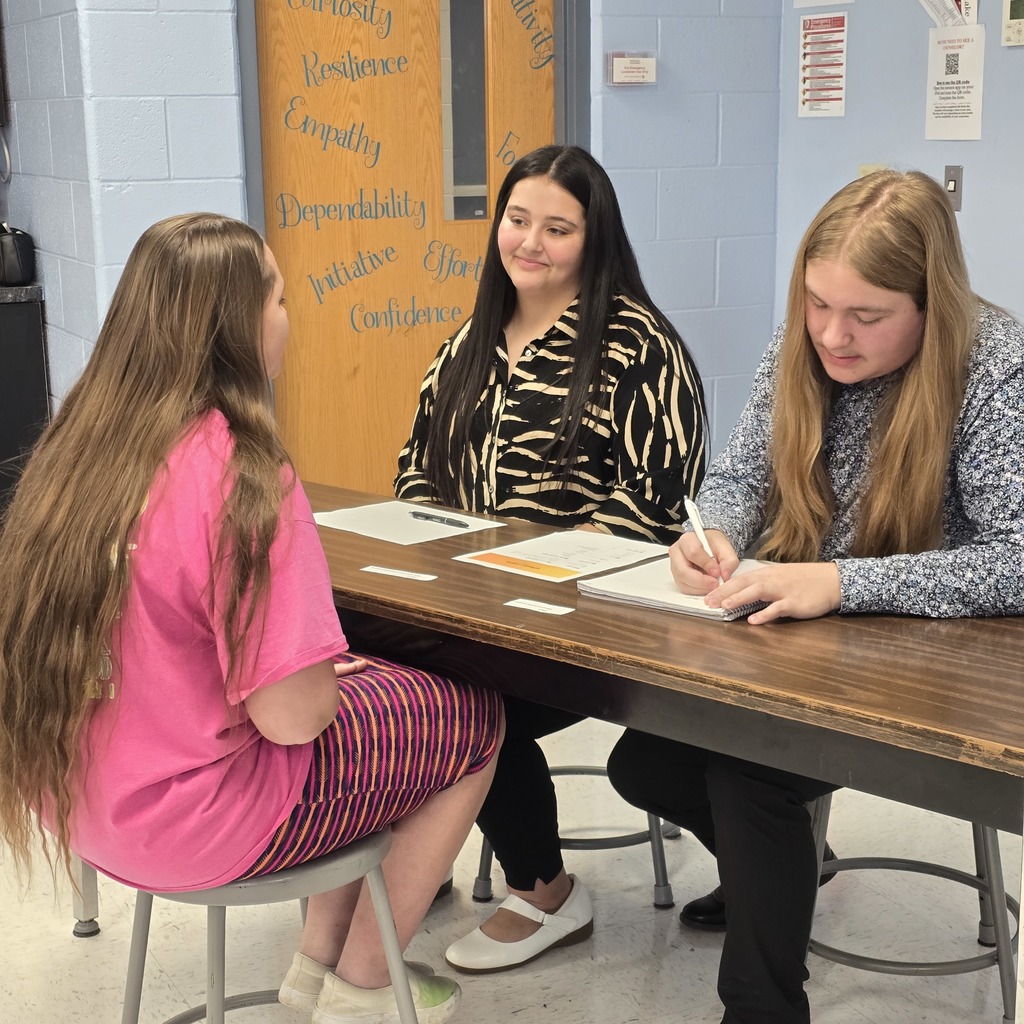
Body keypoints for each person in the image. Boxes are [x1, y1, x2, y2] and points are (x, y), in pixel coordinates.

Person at [0, 213, 504, 1024]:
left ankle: (314, 970)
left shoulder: (74, 456)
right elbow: (298, 722)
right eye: (276, 297)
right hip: (199, 825)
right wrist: (315, 677)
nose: (287, 317)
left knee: (374, 712)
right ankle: (365, 987)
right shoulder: (243, 475)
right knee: (470, 720)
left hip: (87, 810)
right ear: (234, 329)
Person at [607, 168, 1024, 1024]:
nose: (833, 336)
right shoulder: (801, 347)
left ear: (928, 305)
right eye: (816, 304)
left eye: (867, 317)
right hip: (808, 635)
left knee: (746, 763)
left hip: (932, 654)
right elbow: (740, 474)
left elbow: (1016, 560)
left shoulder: (996, 368)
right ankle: (782, 877)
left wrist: (841, 582)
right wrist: (713, 532)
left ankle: (763, 1002)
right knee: (644, 758)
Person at [362, 143, 706, 974]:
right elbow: (415, 467)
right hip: (466, 607)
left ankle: (547, 890)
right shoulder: (470, 341)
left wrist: (556, 557)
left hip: (583, 628)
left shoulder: (638, 346)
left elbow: (661, 501)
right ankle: (420, 849)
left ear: (595, 240)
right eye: (519, 220)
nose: (530, 242)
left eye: (558, 228)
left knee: (470, 707)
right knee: (379, 669)